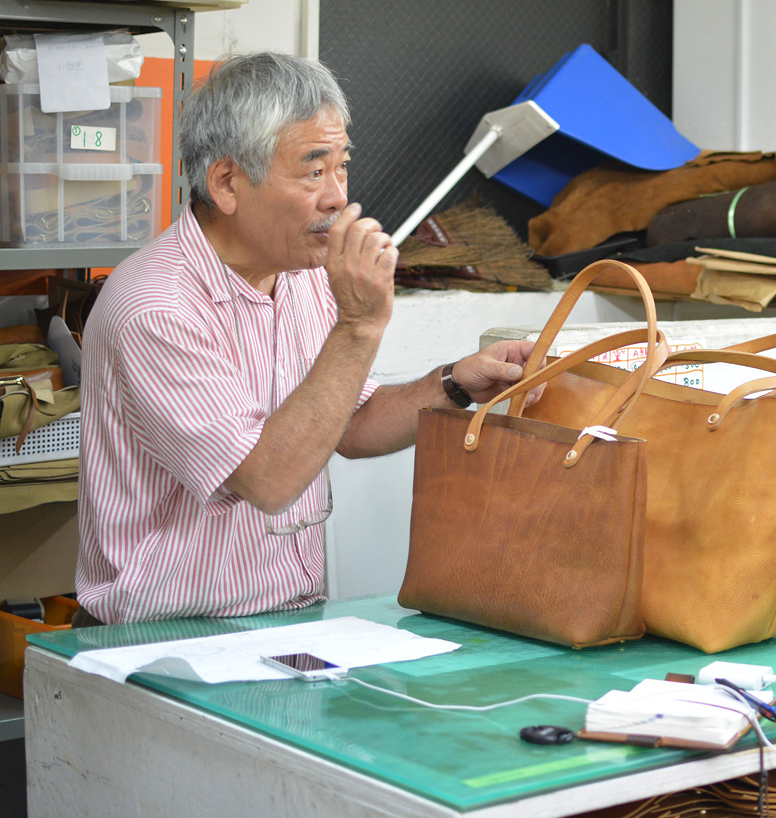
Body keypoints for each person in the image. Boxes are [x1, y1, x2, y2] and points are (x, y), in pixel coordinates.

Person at [76, 52, 539, 625]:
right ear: (227, 183)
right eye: (313, 171)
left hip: (289, 617)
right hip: (163, 635)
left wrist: (455, 385)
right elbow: (267, 480)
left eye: (342, 167)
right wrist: (359, 326)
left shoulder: (302, 275)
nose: (338, 197)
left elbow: (349, 422)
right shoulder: (156, 308)